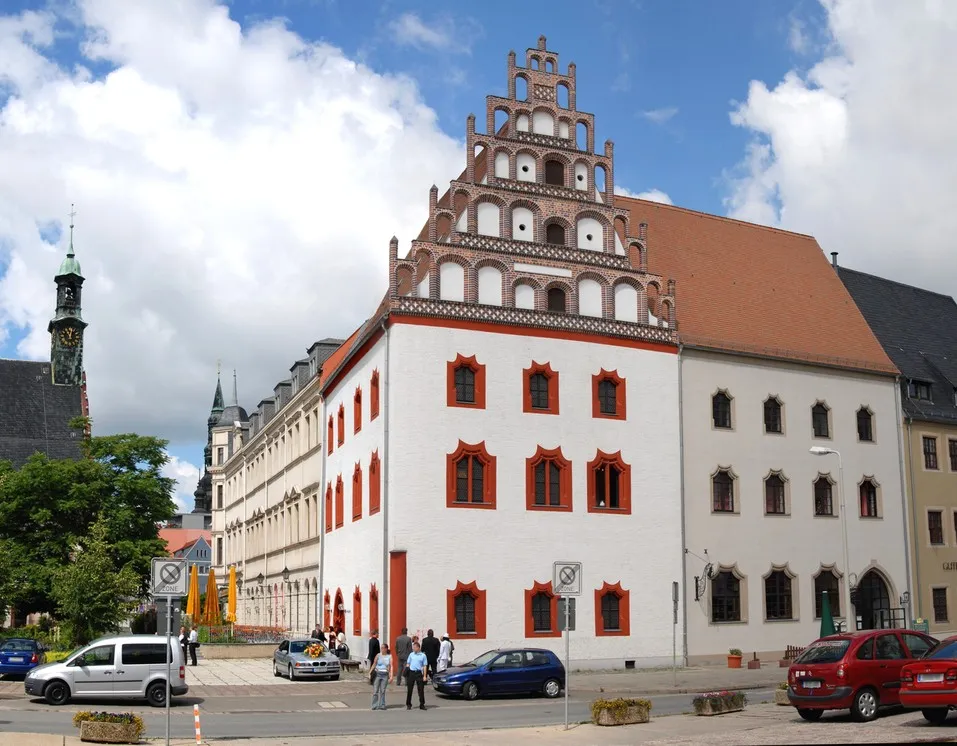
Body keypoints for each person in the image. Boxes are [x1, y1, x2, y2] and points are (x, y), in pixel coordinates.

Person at [405, 641, 428, 711]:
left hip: (418, 673)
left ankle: (422, 704)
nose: (413, 649)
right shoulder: (411, 655)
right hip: (411, 673)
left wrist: (424, 676)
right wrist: (407, 670)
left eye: (414, 647)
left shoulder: (423, 655)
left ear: (418, 648)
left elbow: (424, 666)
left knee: (421, 689)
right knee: (409, 689)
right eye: (413, 647)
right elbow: (408, 663)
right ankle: (408, 704)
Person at [370, 643, 393, 711]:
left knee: (382, 691)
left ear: (386, 649)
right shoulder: (378, 655)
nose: (382, 649)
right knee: (375, 691)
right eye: (381, 648)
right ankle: (374, 705)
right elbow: (374, 664)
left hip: (385, 674)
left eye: (383, 648)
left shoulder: (389, 656)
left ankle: (382, 705)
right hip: (377, 674)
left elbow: (391, 666)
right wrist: (370, 672)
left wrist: (391, 676)